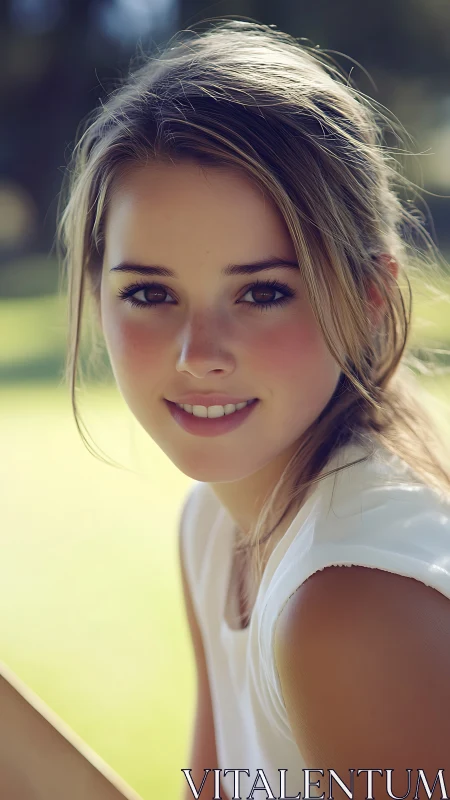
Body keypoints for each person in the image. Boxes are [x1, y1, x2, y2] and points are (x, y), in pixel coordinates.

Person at [56, 18, 450, 800]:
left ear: (370, 297)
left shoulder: (350, 600)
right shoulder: (215, 527)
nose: (197, 353)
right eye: (150, 293)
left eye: (263, 291)